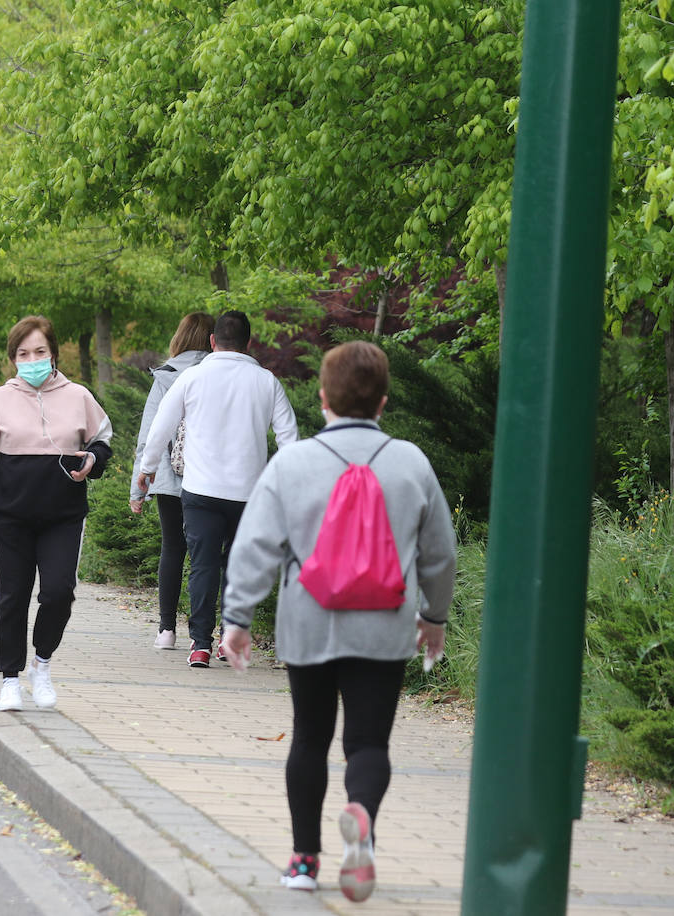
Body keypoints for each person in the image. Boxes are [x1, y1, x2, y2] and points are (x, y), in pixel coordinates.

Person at [219, 340, 456, 902]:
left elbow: (255, 547)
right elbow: (440, 554)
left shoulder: (292, 462)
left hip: (309, 621)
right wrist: (434, 616)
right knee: (369, 743)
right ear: (383, 402)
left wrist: (238, 617)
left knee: (309, 736)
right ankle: (361, 817)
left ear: (322, 398)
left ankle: (304, 861)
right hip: (385, 623)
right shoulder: (411, 463)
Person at [0, 316, 113, 714]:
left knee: (59, 593)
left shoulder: (79, 397)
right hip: (10, 516)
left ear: (53, 353)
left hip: (64, 515)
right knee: (12, 599)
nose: (33, 359)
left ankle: (42, 664)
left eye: (40, 352)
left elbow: (102, 441)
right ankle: (10, 680)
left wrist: (92, 458)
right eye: (24, 354)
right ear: (13, 359)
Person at [136, 310, 298, 668]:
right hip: (248, 494)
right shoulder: (267, 381)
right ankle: (229, 637)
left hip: (200, 491)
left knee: (203, 565)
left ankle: (199, 644)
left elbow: (161, 426)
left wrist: (146, 471)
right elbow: (289, 439)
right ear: (249, 343)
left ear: (213, 342)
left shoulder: (192, 377)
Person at [129, 312, 214, 649]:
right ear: (212, 340)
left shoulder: (166, 377)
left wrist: (139, 488)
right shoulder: (217, 374)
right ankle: (205, 633)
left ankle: (166, 630)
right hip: (210, 478)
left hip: (167, 476)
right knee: (207, 555)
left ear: (179, 338)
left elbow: (149, 435)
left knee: (172, 549)